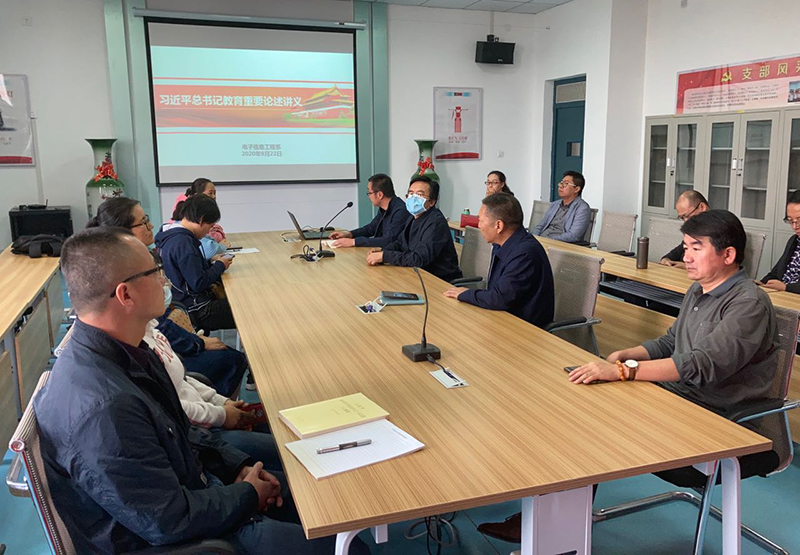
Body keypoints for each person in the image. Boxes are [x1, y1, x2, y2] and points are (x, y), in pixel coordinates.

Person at [34, 227, 368, 554]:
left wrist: (235, 467)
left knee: (315, 499)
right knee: (350, 548)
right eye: (155, 272)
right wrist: (247, 494)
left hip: (196, 490)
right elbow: (167, 521)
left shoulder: (128, 351)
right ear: (126, 295)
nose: (165, 281)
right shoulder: (105, 407)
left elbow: (181, 430)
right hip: (178, 540)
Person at [479, 210, 780, 544]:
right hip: (679, 399)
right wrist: (628, 354)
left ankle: (552, 528)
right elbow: (671, 342)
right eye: (685, 247)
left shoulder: (748, 303)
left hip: (721, 419)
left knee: (593, 425)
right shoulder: (699, 290)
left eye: (696, 248)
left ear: (728, 254)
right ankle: (552, 522)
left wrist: (624, 371)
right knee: (575, 410)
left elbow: (702, 364)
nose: (686, 257)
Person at [88, 196, 249, 396]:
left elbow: (155, 324)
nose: (151, 225)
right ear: (123, 231)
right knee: (236, 343)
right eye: (144, 221)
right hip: (167, 349)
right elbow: (156, 326)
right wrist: (196, 342)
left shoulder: (143, 256)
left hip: (167, 342)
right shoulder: (127, 273)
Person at [443, 193, 554, 328]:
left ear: (499, 226)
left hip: (523, 329)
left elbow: (499, 298)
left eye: (481, 221)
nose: (479, 225)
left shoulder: (524, 253)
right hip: (502, 318)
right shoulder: (502, 244)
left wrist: (466, 294)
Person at [155, 195, 236, 332]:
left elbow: (188, 271)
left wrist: (210, 261)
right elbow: (199, 283)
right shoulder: (184, 243)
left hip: (183, 302)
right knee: (247, 308)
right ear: (201, 219)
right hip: (197, 309)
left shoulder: (171, 236)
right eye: (210, 226)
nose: (208, 232)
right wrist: (220, 265)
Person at [366, 175, 462, 282]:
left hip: (439, 281)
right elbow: (400, 243)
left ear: (432, 202)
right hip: (417, 275)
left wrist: (385, 256)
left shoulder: (436, 222)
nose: (413, 198)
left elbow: (419, 259)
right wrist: (383, 251)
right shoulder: (413, 217)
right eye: (411, 194)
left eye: (419, 194)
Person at [329, 173, 411, 248]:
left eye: (369, 193)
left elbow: (388, 240)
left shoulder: (401, 211)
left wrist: (353, 242)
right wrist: (349, 234)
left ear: (379, 195)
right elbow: (370, 228)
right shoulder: (384, 208)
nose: (368, 196)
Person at [531, 171, 591, 243]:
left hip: (559, 244)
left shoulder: (582, 208)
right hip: (541, 241)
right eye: (561, 183)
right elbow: (541, 226)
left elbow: (574, 236)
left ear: (576, 189)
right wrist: (534, 238)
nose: (560, 186)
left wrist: (548, 240)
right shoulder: (555, 204)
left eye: (566, 184)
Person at [759, 190, 800, 293]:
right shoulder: (794, 240)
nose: (795, 226)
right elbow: (776, 272)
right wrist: (761, 283)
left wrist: (786, 287)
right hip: (782, 295)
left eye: (799, 220)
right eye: (790, 221)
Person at [659, 190, 710, 268]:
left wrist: (686, 266)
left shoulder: (720, 229)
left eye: (687, 216)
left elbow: (717, 265)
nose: (686, 221)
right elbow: (675, 253)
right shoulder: (694, 230)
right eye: (682, 218)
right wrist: (666, 260)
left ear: (702, 207)